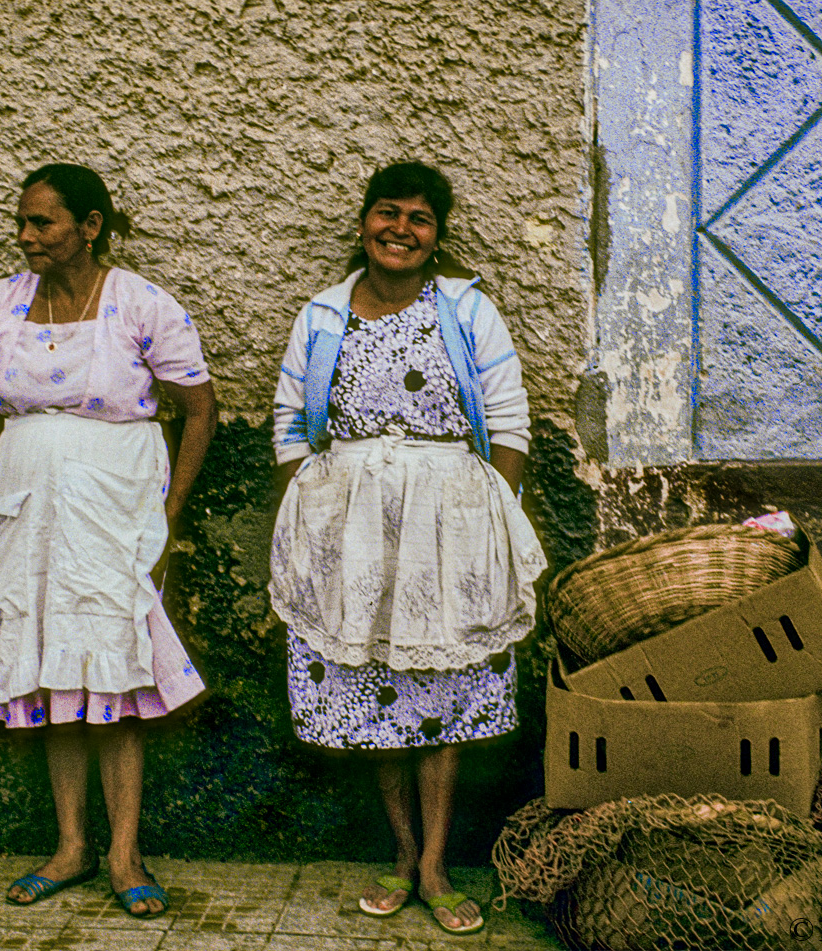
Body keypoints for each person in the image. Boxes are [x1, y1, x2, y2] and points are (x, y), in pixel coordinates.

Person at [269, 162, 546, 935]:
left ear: (437, 235)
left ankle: (435, 865)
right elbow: (292, 425)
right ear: (362, 224)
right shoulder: (323, 316)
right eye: (386, 213)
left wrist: (490, 523)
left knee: (443, 696)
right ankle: (399, 852)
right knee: (372, 693)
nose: (400, 229)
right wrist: (317, 523)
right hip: (350, 533)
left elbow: (510, 421)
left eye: (418, 219)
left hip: (447, 530)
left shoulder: (466, 310)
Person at [0, 163, 217, 919]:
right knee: (47, 671)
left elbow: (199, 409)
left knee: (116, 673)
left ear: (90, 226)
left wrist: (167, 516)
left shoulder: (141, 303)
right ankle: (70, 846)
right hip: (25, 510)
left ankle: (123, 853)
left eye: (44, 223)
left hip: (115, 507)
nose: (27, 236)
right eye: (24, 222)